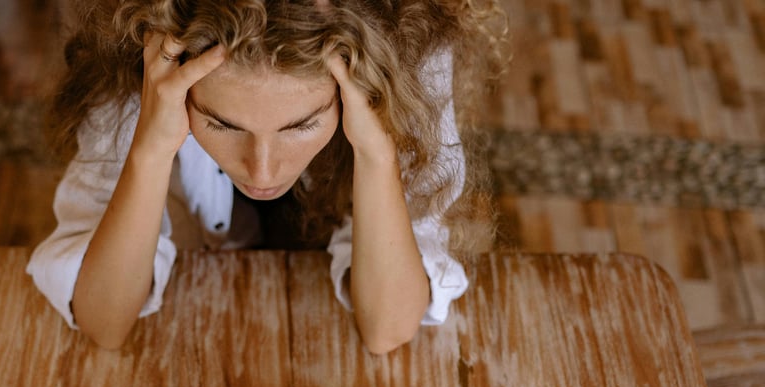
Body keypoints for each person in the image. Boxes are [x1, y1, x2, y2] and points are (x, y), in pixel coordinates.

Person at [28, 0, 507, 352]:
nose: (262, 170)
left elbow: (387, 329)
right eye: (221, 123)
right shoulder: (145, 58)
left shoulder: (409, 56)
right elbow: (104, 323)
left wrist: (378, 154)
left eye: (301, 124)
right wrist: (149, 149)